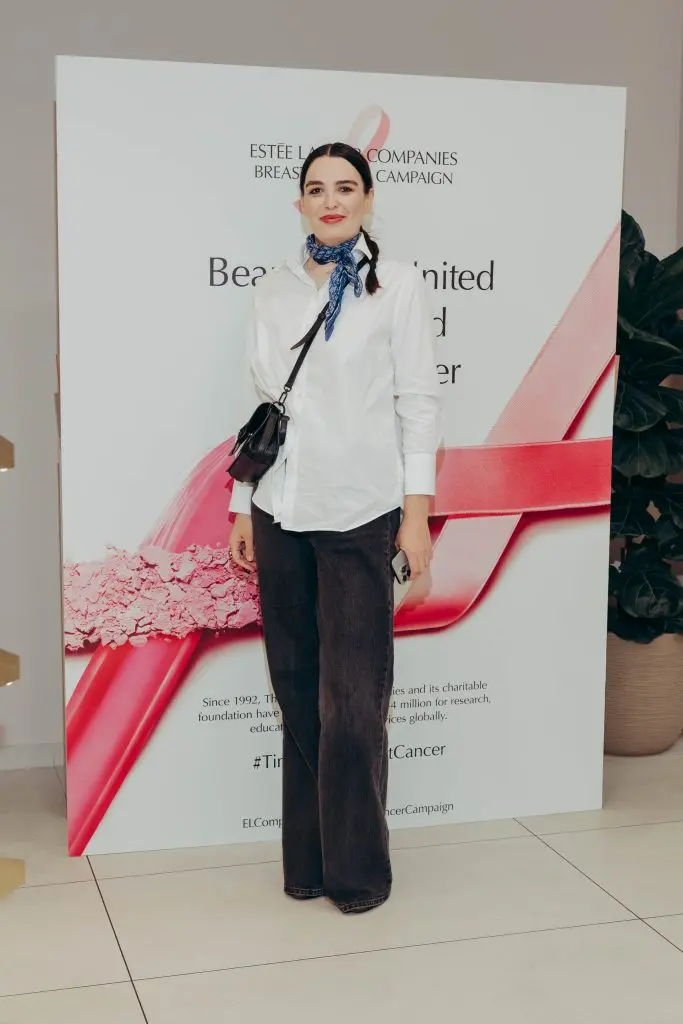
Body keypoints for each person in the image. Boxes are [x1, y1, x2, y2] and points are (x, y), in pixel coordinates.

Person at [229, 142, 440, 914]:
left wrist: (415, 515)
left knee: (352, 700)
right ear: (299, 204)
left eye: (345, 187)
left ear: (367, 199)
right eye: (315, 188)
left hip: (359, 511)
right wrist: (240, 506)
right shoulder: (272, 288)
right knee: (295, 691)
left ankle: (357, 874)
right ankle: (307, 864)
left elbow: (418, 402)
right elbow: (261, 404)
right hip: (278, 507)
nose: (330, 200)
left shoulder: (399, 285)